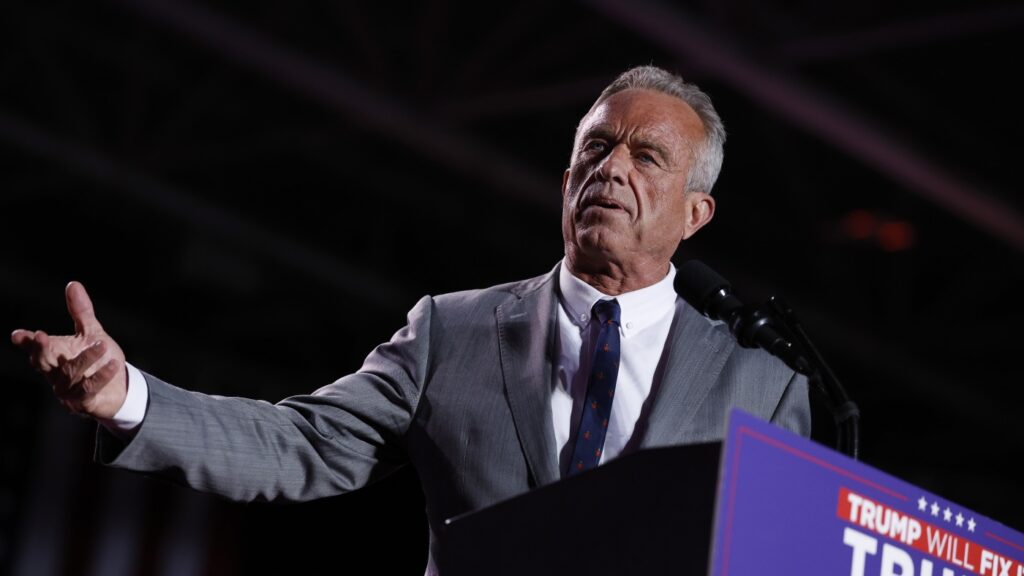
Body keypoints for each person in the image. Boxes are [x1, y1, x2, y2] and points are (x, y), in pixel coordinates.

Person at [11, 65, 810, 575]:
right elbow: (300, 443)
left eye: (646, 156)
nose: (611, 170)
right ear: (566, 178)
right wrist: (126, 397)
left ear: (696, 213)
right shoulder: (451, 334)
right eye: (595, 149)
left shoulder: (763, 380)